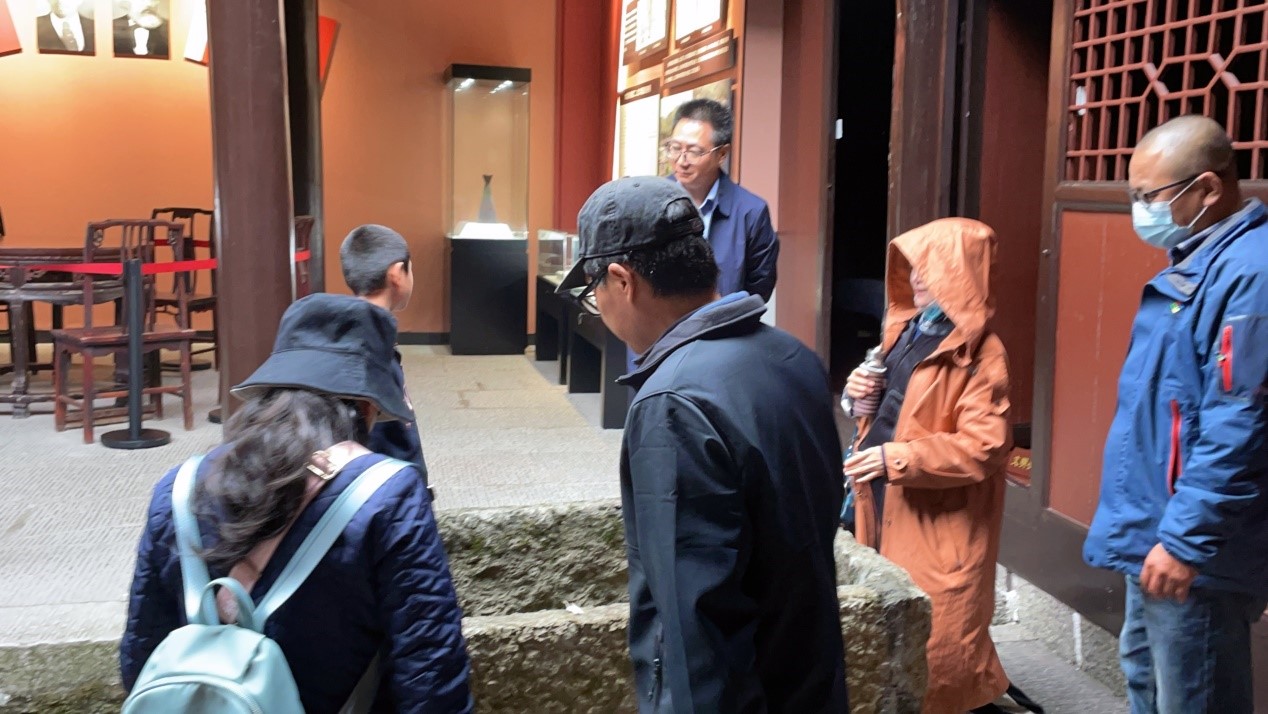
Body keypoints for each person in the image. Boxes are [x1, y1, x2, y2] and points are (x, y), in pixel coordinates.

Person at [556, 177, 848, 711]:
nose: (597, 304)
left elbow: (697, 631)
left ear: (621, 280)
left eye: (593, 289)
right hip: (812, 682)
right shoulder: (793, 358)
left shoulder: (672, 404)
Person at [120, 293, 473, 712]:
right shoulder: (388, 497)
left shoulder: (178, 490)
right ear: (367, 406)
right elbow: (431, 672)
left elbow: (139, 659)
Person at [1083, 114, 1268, 713]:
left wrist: (1186, 543)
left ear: (1208, 188)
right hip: (1156, 531)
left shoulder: (1253, 274)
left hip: (1196, 550)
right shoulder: (1199, 260)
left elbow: (1240, 424)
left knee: (1195, 695)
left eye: (1149, 196)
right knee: (1148, 681)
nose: (1140, 211)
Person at [842, 218, 1012, 713]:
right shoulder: (904, 331)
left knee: (942, 645)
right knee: (892, 628)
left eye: (930, 269)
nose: (916, 278)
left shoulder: (983, 355)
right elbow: (889, 409)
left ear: (959, 276)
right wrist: (857, 399)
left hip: (939, 521)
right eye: (913, 267)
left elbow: (983, 447)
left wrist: (897, 458)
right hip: (883, 500)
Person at [339, 224, 429, 491]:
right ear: (397, 274)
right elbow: (388, 440)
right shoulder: (373, 349)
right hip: (384, 490)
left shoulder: (348, 336)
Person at [663, 99, 778, 301]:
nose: (681, 161)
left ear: (722, 154)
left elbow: (759, 289)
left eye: (694, 152)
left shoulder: (751, 212)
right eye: (675, 147)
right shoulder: (652, 201)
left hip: (723, 320)